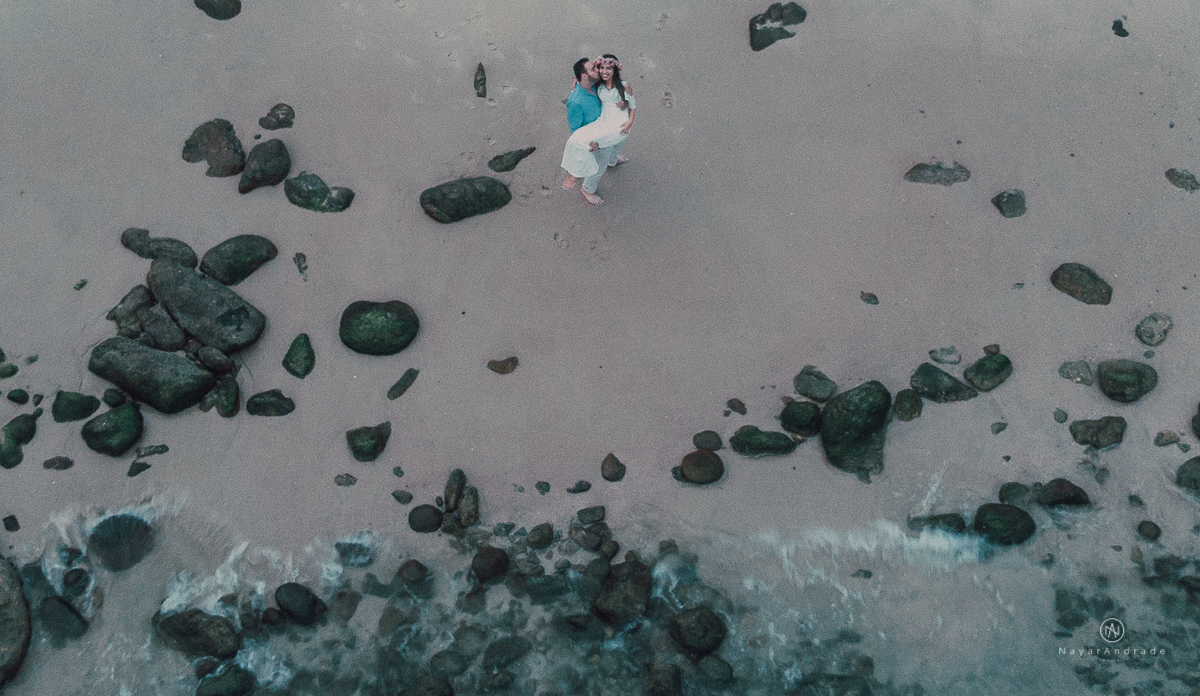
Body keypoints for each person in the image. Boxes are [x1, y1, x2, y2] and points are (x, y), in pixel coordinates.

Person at [560, 55, 635, 205]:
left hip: (614, 125)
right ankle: (587, 189)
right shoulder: (575, 101)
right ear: (584, 75)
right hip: (597, 136)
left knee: (618, 142)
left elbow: (614, 78)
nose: (598, 70)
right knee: (598, 168)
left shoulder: (597, 82)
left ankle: (612, 161)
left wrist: (624, 104)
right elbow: (576, 129)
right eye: (594, 68)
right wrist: (590, 144)